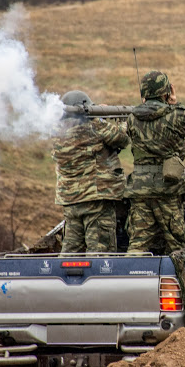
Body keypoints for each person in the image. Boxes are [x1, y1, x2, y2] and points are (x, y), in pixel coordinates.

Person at [125, 70, 185, 254]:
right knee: (176, 244)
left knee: (137, 243)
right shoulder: (174, 115)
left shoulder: (131, 118)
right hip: (167, 188)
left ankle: (132, 279)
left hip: (140, 189)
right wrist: (175, 103)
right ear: (166, 92)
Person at [52, 90, 129, 253]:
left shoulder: (57, 132)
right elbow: (121, 137)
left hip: (71, 200)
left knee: (71, 250)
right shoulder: (95, 125)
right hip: (96, 199)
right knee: (101, 252)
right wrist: (115, 118)